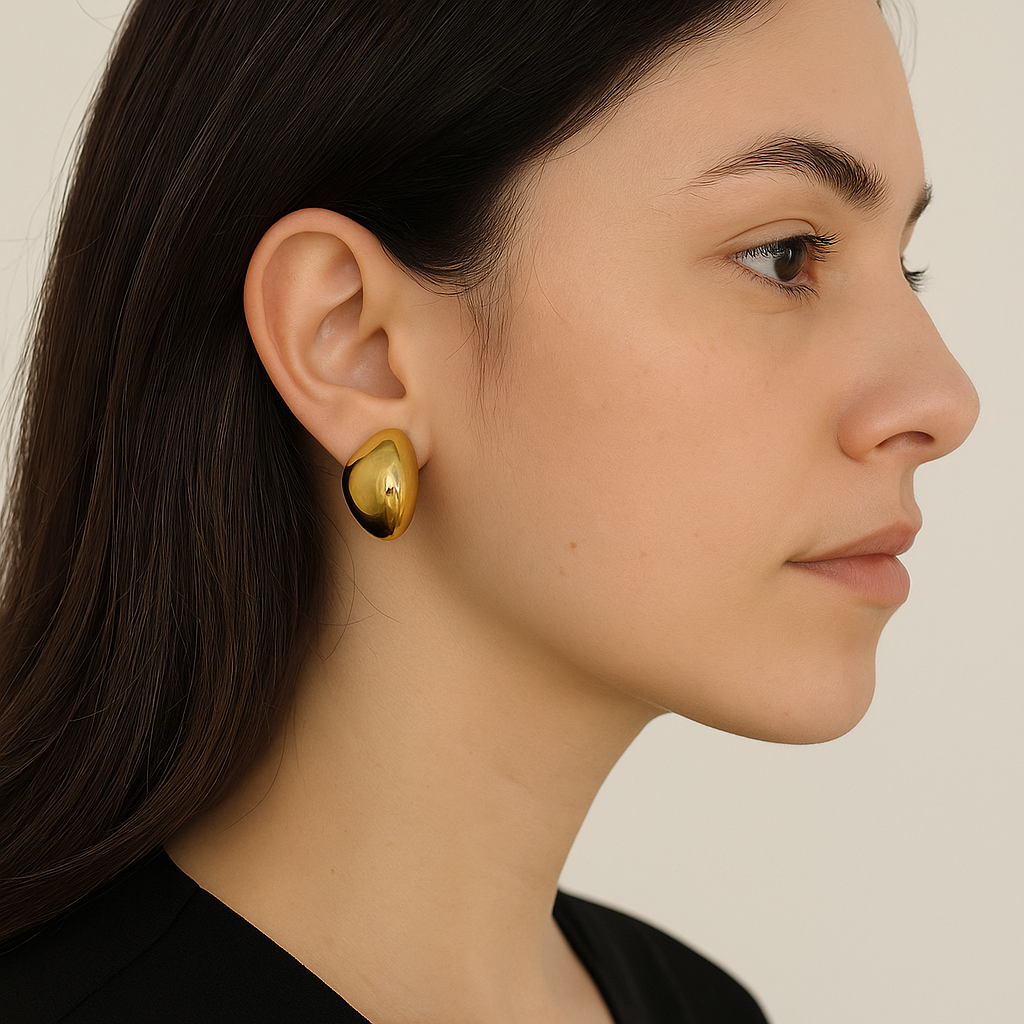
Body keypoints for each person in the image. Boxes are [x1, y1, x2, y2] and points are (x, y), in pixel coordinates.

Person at [0, 0, 979, 1021]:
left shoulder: (702, 1006)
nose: (944, 400)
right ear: (356, 342)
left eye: (905, 267)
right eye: (784, 254)